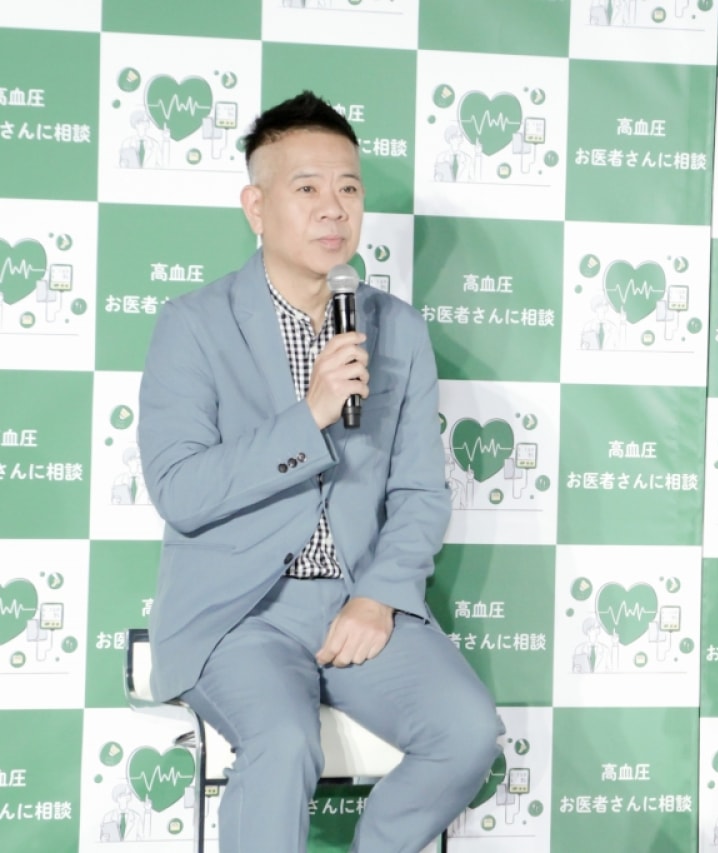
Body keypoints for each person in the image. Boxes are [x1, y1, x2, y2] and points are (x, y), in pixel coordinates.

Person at [138, 91, 502, 853]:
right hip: (239, 613)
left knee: (467, 731)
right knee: (281, 740)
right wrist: (309, 416)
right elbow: (180, 490)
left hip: (355, 603)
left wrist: (379, 595)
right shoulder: (193, 325)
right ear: (257, 206)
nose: (333, 208)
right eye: (306, 188)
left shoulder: (397, 328)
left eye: (348, 187)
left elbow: (419, 493)